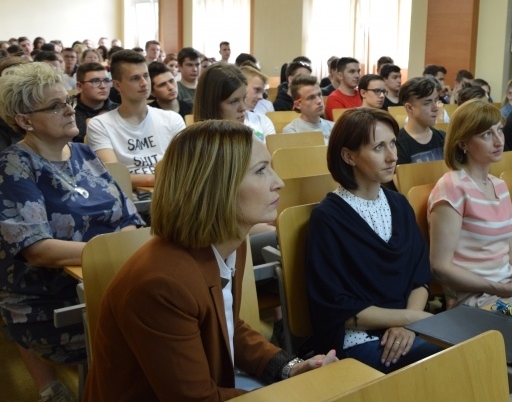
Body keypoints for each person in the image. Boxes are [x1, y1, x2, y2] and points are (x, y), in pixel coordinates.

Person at [84, 121, 336, 400]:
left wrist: (290, 368)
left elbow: (228, 326)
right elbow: (196, 399)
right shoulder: (161, 284)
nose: (279, 183)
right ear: (218, 186)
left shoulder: (232, 242)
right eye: (262, 171)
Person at [0, 62, 143, 402]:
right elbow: (37, 249)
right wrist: (111, 251)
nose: (69, 110)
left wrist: (120, 249)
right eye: (55, 106)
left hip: (110, 278)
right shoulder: (13, 167)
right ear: (24, 120)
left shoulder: (84, 153)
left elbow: (129, 216)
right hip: (49, 301)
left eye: (68, 100)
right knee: (150, 330)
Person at [305, 108, 439, 371]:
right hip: (357, 339)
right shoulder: (328, 218)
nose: (392, 157)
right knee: (447, 361)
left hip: (408, 328)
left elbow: (419, 278)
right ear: (348, 156)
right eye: (378, 147)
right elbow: (337, 308)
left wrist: (406, 324)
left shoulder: (400, 204)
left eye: (392, 144)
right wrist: (411, 318)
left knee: (469, 350)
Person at [428, 100, 512, 311]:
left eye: (499, 131)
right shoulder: (452, 186)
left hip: (507, 290)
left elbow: (507, 247)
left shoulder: (499, 184)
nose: (499, 141)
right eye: (486, 135)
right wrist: (502, 288)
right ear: (463, 143)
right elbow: (440, 267)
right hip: (476, 300)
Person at [87, 50, 185, 190]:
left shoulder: (172, 119)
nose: (144, 83)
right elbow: (113, 176)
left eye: (146, 76)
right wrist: (159, 179)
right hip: (128, 199)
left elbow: (186, 169)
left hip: (171, 194)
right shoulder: (100, 124)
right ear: (117, 85)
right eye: (135, 78)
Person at [194, 64, 276, 144]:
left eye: (244, 98)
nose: (243, 108)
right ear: (212, 104)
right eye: (233, 102)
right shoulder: (193, 143)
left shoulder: (262, 121)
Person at [396, 77, 446, 164]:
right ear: (410, 108)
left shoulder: (444, 138)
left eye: (436, 101)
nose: (435, 108)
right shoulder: (397, 144)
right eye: (427, 103)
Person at [73, 62, 118, 143]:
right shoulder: (69, 111)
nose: (103, 86)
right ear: (80, 86)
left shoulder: (119, 110)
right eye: (95, 81)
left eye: (106, 80)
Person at [282, 75, 334, 143]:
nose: (319, 101)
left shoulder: (334, 127)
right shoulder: (291, 131)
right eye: (311, 98)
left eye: (319, 94)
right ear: (298, 105)